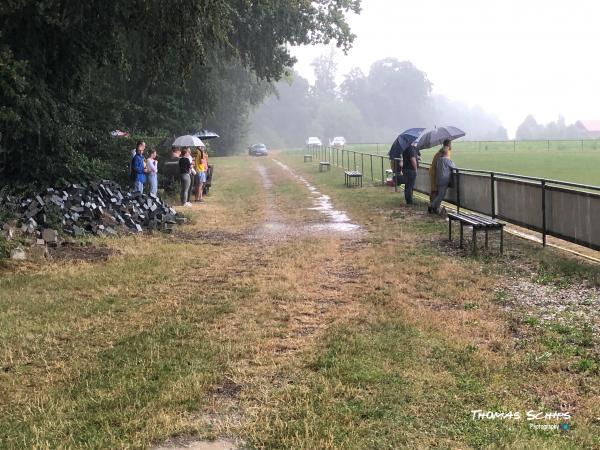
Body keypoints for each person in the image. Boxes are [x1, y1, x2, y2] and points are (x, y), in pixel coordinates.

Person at [431, 142, 456, 214]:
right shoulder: (447, 160)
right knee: (441, 195)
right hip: (444, 180)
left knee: (439, 194)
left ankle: (435, 208)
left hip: (438, 179)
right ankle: (432, 206)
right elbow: (455, 168)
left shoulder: (439, 159)